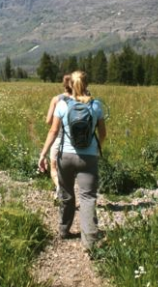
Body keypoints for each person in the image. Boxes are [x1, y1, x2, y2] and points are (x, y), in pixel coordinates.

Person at [38, 70, 106, 251]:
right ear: (86, 84)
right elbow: (103, 134)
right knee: (88, 197)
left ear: (70, 85)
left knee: (67, 195)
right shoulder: (97, 105)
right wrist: (94, 149)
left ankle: (63, 230)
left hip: (65, 157)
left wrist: (43, 154)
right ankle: (89, 241)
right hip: (88, 158)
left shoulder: (62, 105)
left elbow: (53, 132)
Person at [45, 74, 72, 195]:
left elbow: (48, 121)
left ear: (64, 85)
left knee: (54, 167)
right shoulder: (82, 99)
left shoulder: (56, 99)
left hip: (59, 137)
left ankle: (59, 186)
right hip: (75, 140)